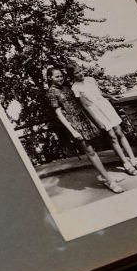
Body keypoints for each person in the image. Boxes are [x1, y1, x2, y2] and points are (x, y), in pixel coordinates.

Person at [43, 65, 124, 193]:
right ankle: (110, 181)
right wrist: (73, 131)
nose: (60, 78)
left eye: (61, 76)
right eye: (57, 77)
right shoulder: (51, 92)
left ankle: (105, 175)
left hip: (84, 120)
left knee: (94, 149)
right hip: (73, 124)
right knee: (90, 151)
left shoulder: (66, 88)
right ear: (49, 78)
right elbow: (59, 114)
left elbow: (82, 103)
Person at [69, 66, 137, 177]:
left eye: (80, 70)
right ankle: (125, 162)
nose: (80, 73)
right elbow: (84, 106)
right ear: (72, 75)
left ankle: (133, 160)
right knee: (112, 136)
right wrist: (96, 121)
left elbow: (99, 93)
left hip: (106, 106)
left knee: (119, 132)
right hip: (96, 111)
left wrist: (111, 96)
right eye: (77, 73)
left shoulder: (91, 79)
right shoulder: (75, 88)